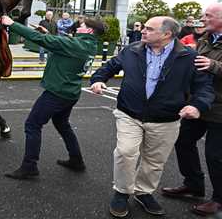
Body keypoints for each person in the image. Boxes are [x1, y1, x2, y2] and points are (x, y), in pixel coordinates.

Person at [90, 16, 214, 218]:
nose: (143, 31)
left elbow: (204, 88)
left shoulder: (189, 57)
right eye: (144, 28)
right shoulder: (132, 49)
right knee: (125, 151)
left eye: (149, 28)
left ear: (167, 34)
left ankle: (144, 192)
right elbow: (110, 66)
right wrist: (98, 80)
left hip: (166, 119)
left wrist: (197, 106)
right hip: (129, 113)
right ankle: (121, 192)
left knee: (154, 161)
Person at [2, 14, 106, 179]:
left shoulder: (75, 44)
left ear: (89, 30)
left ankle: (30, 166)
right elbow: (61, 43)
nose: (77, 27)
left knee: (32, 124)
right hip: (70, 93)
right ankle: (76, 160)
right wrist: (47, 34)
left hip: (57, 93)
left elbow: (39, 39)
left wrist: (12, 24)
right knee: (62, 124)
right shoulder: (89, 45)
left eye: (81, 25)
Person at [162, 4, 222, 216]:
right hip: (200, 104)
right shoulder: (205, 38)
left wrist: (214, 65)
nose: (202, 19)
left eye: (208, 15)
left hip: (220, 110)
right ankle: (194, 185)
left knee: (216, 155)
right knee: (183, 141)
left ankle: (218, 199)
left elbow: (210, 65)